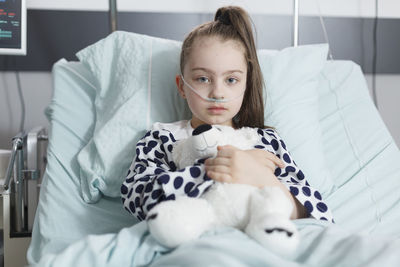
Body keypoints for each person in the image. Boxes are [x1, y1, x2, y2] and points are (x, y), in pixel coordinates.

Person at [121, 6, 334, 223]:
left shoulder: (266, 142)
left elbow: (318, 213)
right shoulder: (161, 138)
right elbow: (136, 198)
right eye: (203, 79)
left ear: (246, 85)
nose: (217, 93)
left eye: (231, 80)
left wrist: (258, 175)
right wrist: (214, 169)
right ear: (182, 86)